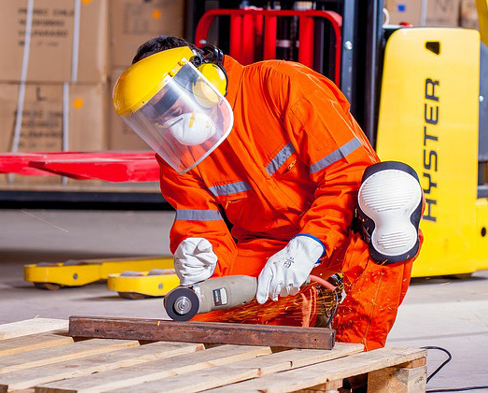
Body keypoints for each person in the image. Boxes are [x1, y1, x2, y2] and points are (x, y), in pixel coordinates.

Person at [113, 36, 423, 351]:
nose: (166, 121)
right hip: (268, 250)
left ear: (204, 79)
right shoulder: (177, 153)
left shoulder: (283, 85)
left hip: (342, 231)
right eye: (153, 115)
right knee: (199, 315)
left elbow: (348, 175)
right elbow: (199, 222)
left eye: (168, 103)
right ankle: (314, 304)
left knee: (389, 197)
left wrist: (309, 244)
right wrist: (198, 254)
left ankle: (355, 358)